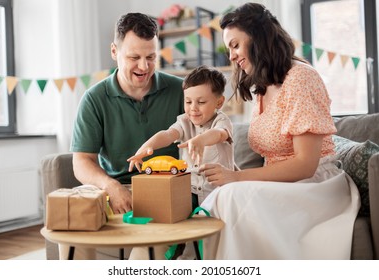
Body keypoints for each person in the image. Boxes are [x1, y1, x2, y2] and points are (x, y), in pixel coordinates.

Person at [199, 3, 360, 259]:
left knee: (231, 195)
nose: (230, 57)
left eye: (235, 45)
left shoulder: (301, 78)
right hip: (282, 183)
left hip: (315, 185)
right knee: (221, 194)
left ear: (259, 39)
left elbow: (305, 165)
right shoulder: (263, 86)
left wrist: (238, 178)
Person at [67, 12, 185, 260]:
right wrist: (111, 186)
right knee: (71, 228)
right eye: (134, 57)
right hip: (116, 191)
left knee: (147, 252)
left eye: (151, 57)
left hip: (166, 191)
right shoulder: (94, 98)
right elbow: (81, 161)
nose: (144, 67)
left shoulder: (180, 91)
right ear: (114, 51)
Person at [127, 65, 234, 260]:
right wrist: (146, 148)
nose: (193, 108)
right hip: (189, 193)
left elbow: (219, 135)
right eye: (188, 101)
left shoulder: (222, 121)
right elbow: (168, 135)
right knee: (176, 226)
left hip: (217, 195)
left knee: (208, 240)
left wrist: (201, 140)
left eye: (201, 102)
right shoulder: (185, 121)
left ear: (219, 102)